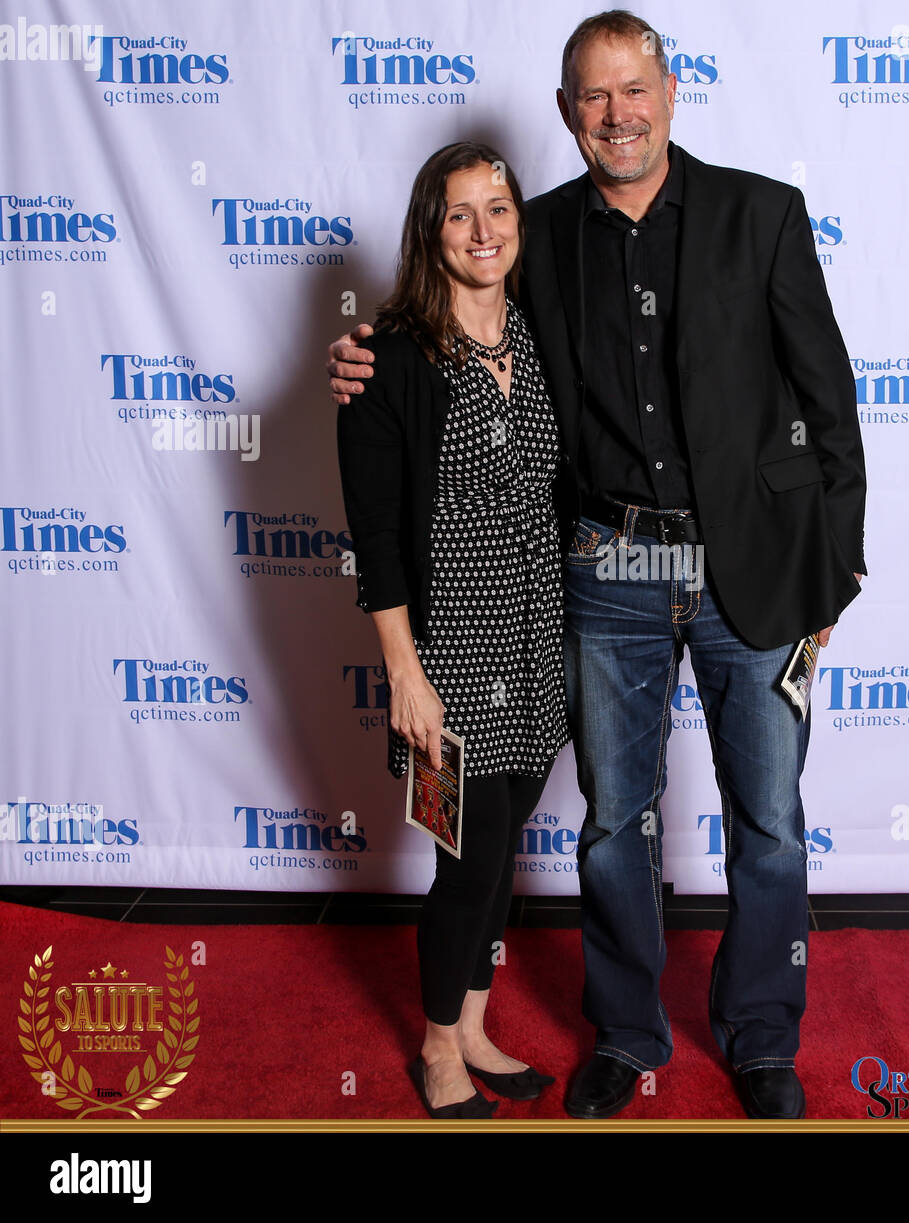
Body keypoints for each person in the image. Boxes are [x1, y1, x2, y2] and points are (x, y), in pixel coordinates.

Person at [330, 11, 866, 1121]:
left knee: (768, 820)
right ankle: (626, 1034)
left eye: (633, 90)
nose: (616, 115)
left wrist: (836, 573)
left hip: (750, 572)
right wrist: (364, 360)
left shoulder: (761, 214)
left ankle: (762, 1036)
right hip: (604, 569)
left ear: (669, 90)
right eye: (592, 96)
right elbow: (448, 320)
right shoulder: (538, 233)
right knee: (615, 823)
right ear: (569, 110)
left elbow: (829, 399)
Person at [336, 140, 569, 1119]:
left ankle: (474, 1023)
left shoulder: (544, 329)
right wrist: (405, 673)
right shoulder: (385, 359)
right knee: (463, 862)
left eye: (499, 209)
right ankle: (437, 1048)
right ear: (430, 231)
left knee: (500, 856)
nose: (484, 231)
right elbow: (376, 537)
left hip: (539, 642)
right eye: (461, 213)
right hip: (454, 657)